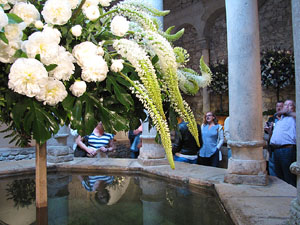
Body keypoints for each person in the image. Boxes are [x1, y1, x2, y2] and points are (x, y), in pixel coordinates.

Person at [267, 100, 296, 187]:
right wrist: (269, 132)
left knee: (289, 177)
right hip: (276, 150)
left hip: (287, 150)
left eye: (290, 105)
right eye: (285, 105)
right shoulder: (280, 121)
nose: (287, 107)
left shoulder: (294, 118)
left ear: (294, 108)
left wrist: (286, 112)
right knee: (279, 178)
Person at [264, 101, 284, 176]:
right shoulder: (271, 119)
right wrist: (268, 131)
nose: (278, 108)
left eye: (281, 106)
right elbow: (266, 136)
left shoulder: (286, 119)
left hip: (285, 148)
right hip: (272, 149)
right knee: (273, 169)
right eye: (277, 106)